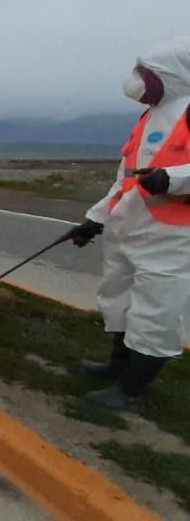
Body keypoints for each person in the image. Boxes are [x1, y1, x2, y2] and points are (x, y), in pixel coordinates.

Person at [70, 38, 190, 411]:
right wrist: (94, 218)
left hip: (169, 235)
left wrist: (172, 179)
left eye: (144, 73)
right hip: (128, 228)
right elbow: (125, 179)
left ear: (167, 75)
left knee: (155, 312)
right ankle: (116, 368)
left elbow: (169, 174)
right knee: (119, 300)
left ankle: (133, 390)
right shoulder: (148, 118)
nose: (136, 80)